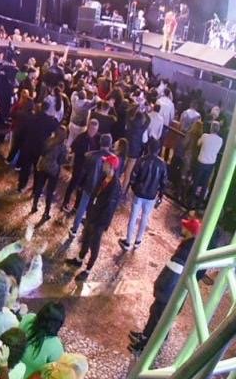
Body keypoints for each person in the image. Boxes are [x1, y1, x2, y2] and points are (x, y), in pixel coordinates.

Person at [131, 215, 203, 353]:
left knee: (157, 316)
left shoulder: (185, 251)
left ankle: (147, 344)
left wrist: (159, 289)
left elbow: (171, 276)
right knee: (156, 314)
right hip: (168, 293)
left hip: (167, 293)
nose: (182, 227)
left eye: (186, 226)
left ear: (190, 231)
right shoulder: (188, 247)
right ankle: (146, 336)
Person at [66, 156, 121, 278]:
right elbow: (94, 195)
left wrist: (100, 223)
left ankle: (88, 270)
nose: (103, 164)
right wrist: (89, 212)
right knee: (85, 238)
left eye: (106, 163)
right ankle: (79, 259)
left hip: (99, 221)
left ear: (111, 166)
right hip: (92, 215)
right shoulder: (103, 177)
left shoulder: (115, 186)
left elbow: (109, 209)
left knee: (94, 245)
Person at [122, 138, 167, 251]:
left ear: (148, 148)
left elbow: (133, 176)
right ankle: (138, 240)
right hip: (151, 195)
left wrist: (133, 188)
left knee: (133, 217)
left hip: (139, 193)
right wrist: (160, 195)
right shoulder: (162, 164)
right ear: (158, 150)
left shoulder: (141, 160)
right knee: (145, 218)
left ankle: (128, 241)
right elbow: (163, 182)